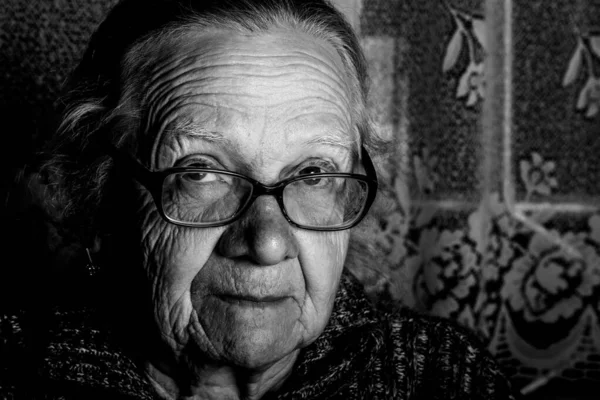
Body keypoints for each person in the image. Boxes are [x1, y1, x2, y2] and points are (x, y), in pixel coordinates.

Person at [0, 0, 517, 398]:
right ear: (96, 196)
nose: (267, 242)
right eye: (200, 172)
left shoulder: (442, 379)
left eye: (313, 172)